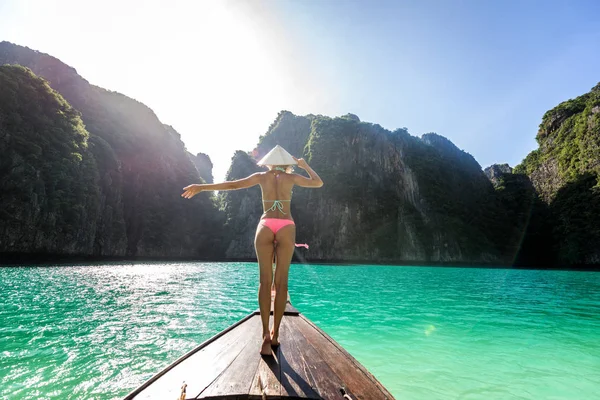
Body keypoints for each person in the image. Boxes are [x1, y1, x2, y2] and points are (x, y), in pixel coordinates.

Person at [181, 145, 323, 355]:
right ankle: (276, 336)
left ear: (269, 162)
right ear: (287, 164)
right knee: (281, 282)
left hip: (265, 226)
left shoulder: (260, 176)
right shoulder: (292, 178)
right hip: (286, 226)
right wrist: (304, 165)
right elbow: (318, 183)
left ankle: (265, 334)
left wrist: (202, 187)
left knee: (264, 282)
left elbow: (232, 185)